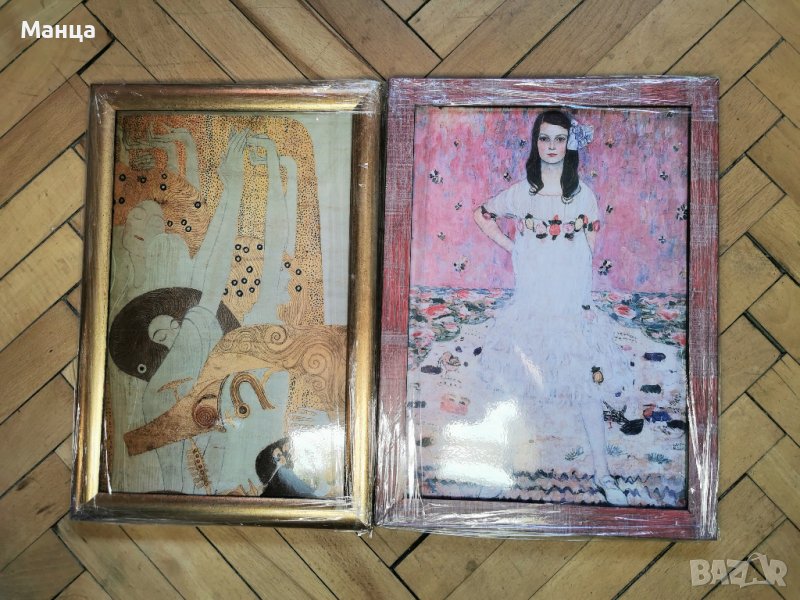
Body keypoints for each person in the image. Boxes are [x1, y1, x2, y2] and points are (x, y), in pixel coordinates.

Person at [472, 109, 630, 505]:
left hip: (569, 303)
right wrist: (514, 248)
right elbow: (482, 214)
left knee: (586, 387)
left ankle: (604, 475)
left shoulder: (583, 195)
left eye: (560, 139)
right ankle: (499, 470)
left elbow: (588, 249)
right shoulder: (521, 193)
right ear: (536, 143)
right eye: (545, 138)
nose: (552, 146)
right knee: (517, 385)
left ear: (569, 144)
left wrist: (579, 298)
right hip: (531, 302)